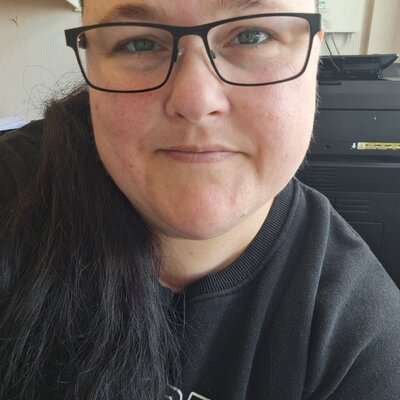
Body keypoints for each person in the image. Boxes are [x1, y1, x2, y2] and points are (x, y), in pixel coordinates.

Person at [1, 0, 399, 399]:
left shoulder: (362, 342)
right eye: (139, 43)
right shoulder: (14, 196)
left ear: (315, 58)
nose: (194, 101)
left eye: (252, 36)